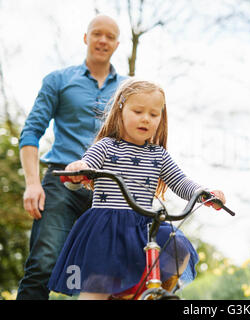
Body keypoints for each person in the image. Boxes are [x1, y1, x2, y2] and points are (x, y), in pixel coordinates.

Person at [46, 78, 226, 300]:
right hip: (105, 229)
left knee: (178, 245)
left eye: (154, 114)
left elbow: (181, 183)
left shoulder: (158, 155)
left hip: (141, 228)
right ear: (121, 111)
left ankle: (156, 290)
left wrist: (205, 194)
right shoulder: (106, 146)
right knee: (96, 291)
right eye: (138, 111)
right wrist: (79, 169)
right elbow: (84, 168)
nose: (146, 119)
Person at [17, 15, 126, 300]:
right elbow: (31, 133)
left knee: (109, 277)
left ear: (117, 43)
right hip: (61, 184)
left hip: (109, 187)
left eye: (110, 36)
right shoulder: (58, 80)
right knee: (43, 264)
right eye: (97, 34)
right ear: (86, 37)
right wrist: (32, 184)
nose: (103, 40)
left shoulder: (128, 89)